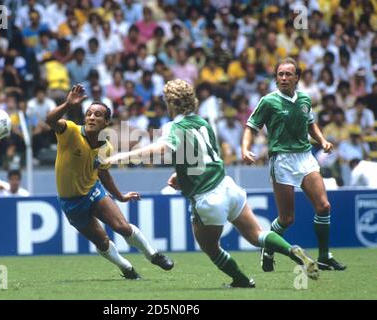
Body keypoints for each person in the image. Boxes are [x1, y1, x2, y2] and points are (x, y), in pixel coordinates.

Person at [107, 79, 319, 288]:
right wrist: (180, 176)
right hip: (228, 186)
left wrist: (118, 157)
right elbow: (205, 157)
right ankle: (292, 250)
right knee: (257, 235)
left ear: (171, 103)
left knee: (210, 247)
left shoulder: (172, 126)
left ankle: (242, 280)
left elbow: (160, 149)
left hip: (207, 198)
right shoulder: (203, 122)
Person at [45, 84, 174, 280]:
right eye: (89, 114)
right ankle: (127, 268)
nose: (91, 117)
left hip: (93, 191)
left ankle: (154, 255)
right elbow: (50, 120)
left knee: (122, 227)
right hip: (71, 202)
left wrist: (120, 196)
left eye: (97, 115)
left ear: (106, 122)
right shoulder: (70, 131)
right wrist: (68, 104)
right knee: (102, 241)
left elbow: (103, 174)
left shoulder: (106, 146)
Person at [241, 58, 346, 272]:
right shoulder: (268, 101)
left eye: (288, 74)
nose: (284, 78)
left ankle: (325, 257)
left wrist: (322, 140)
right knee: (287, 219)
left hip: (306, 157)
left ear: (297, 78)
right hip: (282, 160)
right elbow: (251, 127)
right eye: (280, 74)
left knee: (324, 206)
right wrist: (245, 149)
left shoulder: (305, 99)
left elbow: (311, 123)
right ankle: (268, 248)